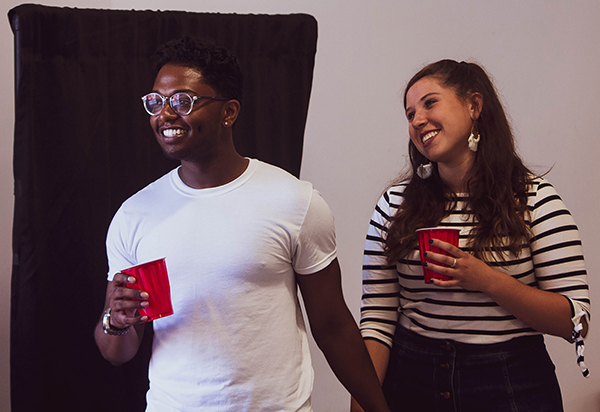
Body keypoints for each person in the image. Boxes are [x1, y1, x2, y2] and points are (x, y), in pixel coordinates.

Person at [94, 36, 389, 412]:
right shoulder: (135, 215)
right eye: (156, 102)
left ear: (228, 112)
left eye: (182, 101)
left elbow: (333, 327)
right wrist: (116, 321)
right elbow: (117, 352)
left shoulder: (295, 201)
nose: (165, 114)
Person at [352, 60, 590, 412]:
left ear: (473, 106)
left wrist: (485, 279)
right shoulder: (393, 205)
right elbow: (377, 317)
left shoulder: (535, 200)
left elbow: (576, 320)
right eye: (409, 113)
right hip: (411, 381)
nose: (417, 120)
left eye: (430, 103)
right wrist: (363, 404)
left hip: (512, 385)